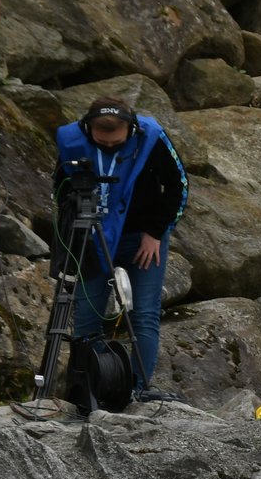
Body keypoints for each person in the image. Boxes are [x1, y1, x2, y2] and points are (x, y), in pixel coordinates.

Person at [54, 97, 187, 401]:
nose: (109, 147)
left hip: (143, 238)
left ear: (131, 129)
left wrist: (155, 233)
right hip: (91, 239)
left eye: (116, 142)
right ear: (88, 129)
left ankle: (136, 389)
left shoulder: (150, 139)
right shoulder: (73, 143)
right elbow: (61, 189)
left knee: (143, 314)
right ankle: (87, 391)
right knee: (87, 316)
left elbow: (178, 186)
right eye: (102, 142)